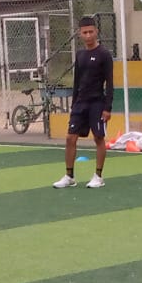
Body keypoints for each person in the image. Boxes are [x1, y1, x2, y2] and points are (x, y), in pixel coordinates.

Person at [53, 16, 114, 190]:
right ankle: (69, 176)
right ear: (80, 34)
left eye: (90, 32)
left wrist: (107, 108)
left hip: (97, 103)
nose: (88, 35)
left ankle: (98, 176)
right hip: (80, 103)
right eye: (84, 32)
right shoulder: (80, 55)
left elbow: (110, 83)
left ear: (96, 32)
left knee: (98, 138)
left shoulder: (104, 54)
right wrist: (74, 104)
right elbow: (77, 82)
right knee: (70, 138)